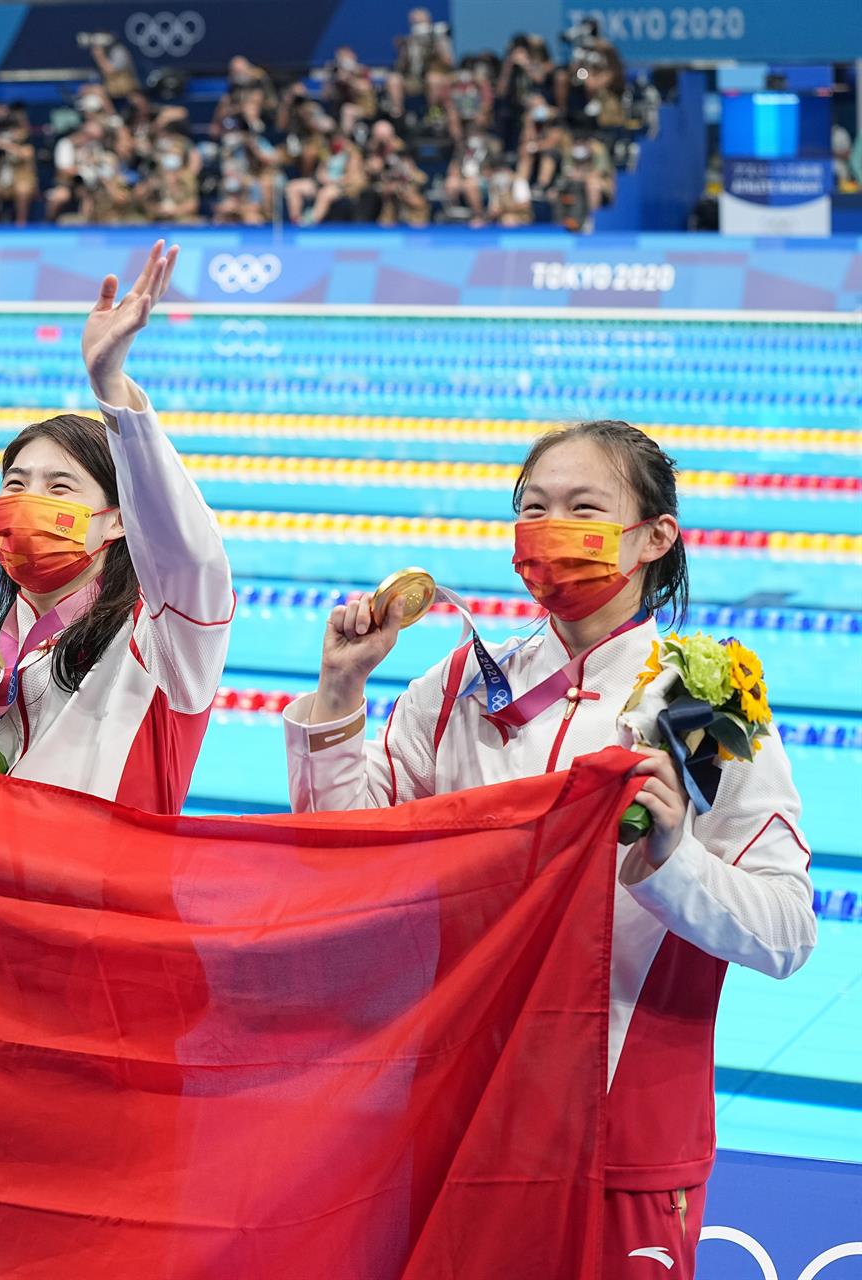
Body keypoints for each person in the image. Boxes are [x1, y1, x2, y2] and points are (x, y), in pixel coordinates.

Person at [283, 421, 814, 1280]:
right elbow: (344, 859)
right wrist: (340, 691)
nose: (551, 528)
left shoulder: (701, 708)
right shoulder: (457, 689)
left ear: (654, 537)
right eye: (533, 508)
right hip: (456, 1111)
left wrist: (673, 860)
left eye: (583, 509)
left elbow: (787, 932)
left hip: (620, 1139)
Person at [0, 243, 233, 812]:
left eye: (59, 488)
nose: (28, 501)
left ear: (119, 520)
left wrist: (113, 392)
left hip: (102, 875)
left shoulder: (160, 646)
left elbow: (189, 557)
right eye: (15, 484)